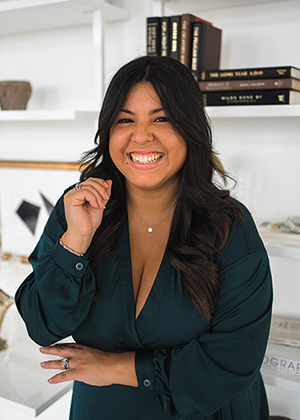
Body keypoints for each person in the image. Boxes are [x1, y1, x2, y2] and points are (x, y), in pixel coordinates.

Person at [15, 55, 273, 420]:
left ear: (190, 128)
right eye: (125, 120)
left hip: (207, 410)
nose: (141, 136)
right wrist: (75, 242)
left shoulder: (230, 226)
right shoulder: (80, 208)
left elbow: (236, 358)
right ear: (108, 131)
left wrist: (116, 367)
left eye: (161, 118)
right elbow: (42, 325)